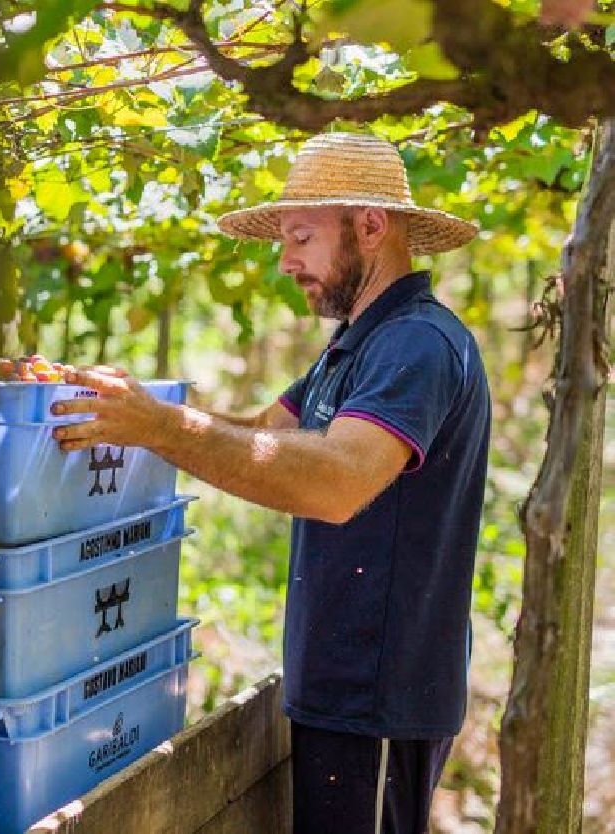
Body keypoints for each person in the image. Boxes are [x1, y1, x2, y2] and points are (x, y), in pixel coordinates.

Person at [50, 132, 491, 834]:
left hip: (376, 697)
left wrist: (159, 427)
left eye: (302, 238)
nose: (287, 262)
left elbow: (336, 483)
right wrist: (137, 414)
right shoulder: (356, 346)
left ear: (371, 227)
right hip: (340, 692)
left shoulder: (418, 343)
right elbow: (262, 433)